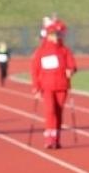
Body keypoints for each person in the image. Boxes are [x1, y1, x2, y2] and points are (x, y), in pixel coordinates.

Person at [30, 19, 77, 150]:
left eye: (58, 35)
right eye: (53, 35)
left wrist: (71, 70)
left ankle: (56, 137)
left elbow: (72, 64)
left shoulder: (64, 50)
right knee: (49, 111)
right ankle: (49, 137)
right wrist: (36, 87)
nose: (55, 37)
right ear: (48, 36)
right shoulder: (40, 51)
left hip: (62, 86)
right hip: (47, 86)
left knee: (58, 111)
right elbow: (35, 70)